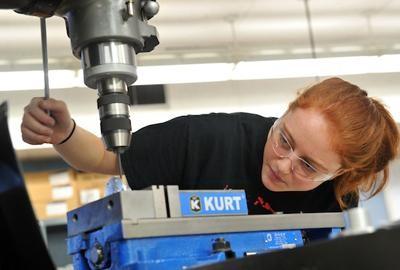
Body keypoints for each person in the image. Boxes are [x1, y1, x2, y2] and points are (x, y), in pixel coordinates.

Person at [21, 77, 399, 214]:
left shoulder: (340, 194)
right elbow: (106, 158)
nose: (284, 165)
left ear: (342, 174)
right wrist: (63, 132)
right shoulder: (208, 138)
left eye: (309, 167)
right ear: (282, 115)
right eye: (284, 140)